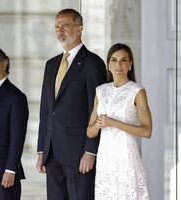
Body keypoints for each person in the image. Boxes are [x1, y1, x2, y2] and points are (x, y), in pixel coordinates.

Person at [36, 8, 107, 200]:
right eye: (57, 27)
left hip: (79, 155)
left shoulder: (92, 63)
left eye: (65, 26)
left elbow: (98, 110)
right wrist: (42, 149)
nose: (59, 31)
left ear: (79, 29)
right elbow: (46, 111)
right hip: (52, 154)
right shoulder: (51, 65)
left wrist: (91, 151)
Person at [87, 43, 152, 199]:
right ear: (108, 64)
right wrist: (99, 125)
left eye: (124, 60)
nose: (119, 65)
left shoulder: (137, 91)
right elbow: (90, 132)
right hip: (106, 158)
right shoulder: (101, 91)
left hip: (126, 156)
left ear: (130, 64)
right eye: (114, 60)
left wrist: (114, 123)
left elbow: (147, 131)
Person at [0, 49, 29, 200]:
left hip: (4, 172)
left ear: (4, 64)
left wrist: (11, 170)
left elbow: (17, 138)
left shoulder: (16, 97)